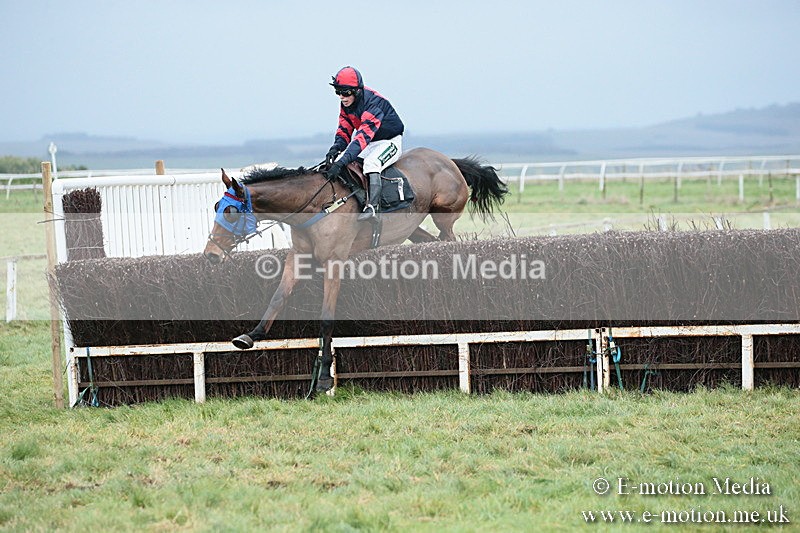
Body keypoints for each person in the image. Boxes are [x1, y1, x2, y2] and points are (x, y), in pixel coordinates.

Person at [324, 66, 404, 221]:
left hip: (389, 141)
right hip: (370, 143)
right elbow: (344, 130)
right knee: (342, 158)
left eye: (345, 92)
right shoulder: (346, 104)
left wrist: (341, 162)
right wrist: (335, 149)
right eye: (338, 92)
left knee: (371, 163)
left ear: (357, 91)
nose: (341, 97)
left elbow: (361, 138)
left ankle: (373, 208)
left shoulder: (373, 104)